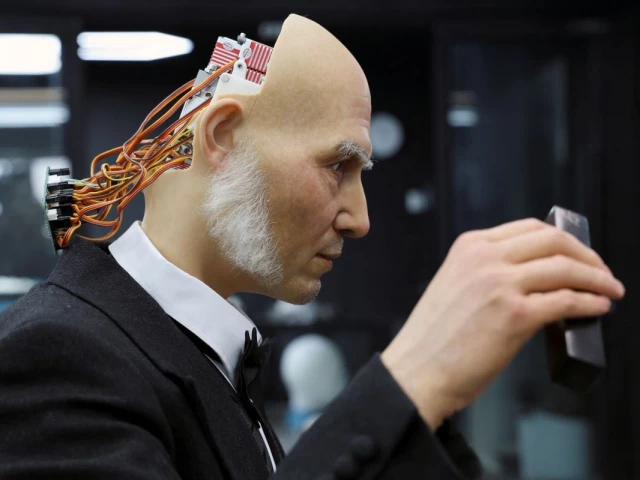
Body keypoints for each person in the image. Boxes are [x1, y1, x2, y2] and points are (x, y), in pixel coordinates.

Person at [0, 13, 625, 480]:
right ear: (222, 136)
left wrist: (431, 403)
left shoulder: (204, 353)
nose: (361, 220)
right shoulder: (58, 355)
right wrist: (412, 378)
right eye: (337, 166)